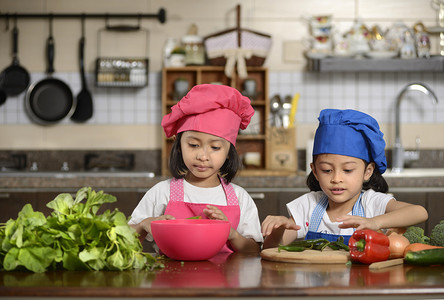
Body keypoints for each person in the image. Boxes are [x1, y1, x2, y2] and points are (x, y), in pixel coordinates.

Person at [262, 109, 428, 248]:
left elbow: (419, 212)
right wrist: (278, 229)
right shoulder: (309, 206)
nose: (336, 178)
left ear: (367, 172)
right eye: (327, 170)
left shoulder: (372, 203)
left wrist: (375, 222)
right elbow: (273, 249)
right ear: (314, 171)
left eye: (347, 170)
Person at [129, 84, 263, 253]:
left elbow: (253, 250)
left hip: (225, 278)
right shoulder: (162, 192)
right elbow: (125, 239)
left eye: (215, 147)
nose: (203, 156)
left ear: (229, 152)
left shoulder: (239, 197)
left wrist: (232, 235)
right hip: (170, 278)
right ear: (179, 146)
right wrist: (142, 226)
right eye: (193, 145)